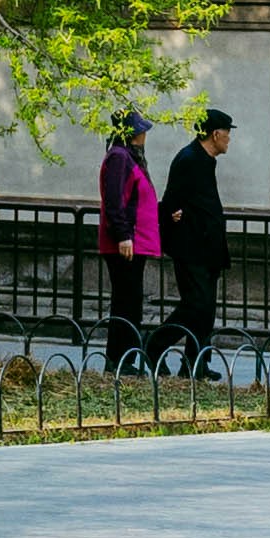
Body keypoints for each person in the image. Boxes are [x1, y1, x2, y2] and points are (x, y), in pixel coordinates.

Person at [160, 102, 233, 378]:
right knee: (195, 305)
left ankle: (196, 363)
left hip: (207, 250)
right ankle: (154, 346)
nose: (229, 139)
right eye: (227, 133)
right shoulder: (188, 159)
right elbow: (170, 203)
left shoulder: (205, 160)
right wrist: (175, 216)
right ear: (215, 134)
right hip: (191, 249)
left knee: (206, 309)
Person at [99, 108, 161, 369]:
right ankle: (118, 360)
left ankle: (126, 359)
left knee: (131, 302)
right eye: (141, 130)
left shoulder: (128, 157)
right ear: (133, 133)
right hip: (126, 244)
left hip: (136, 242)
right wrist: (124, 235)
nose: (145, 135)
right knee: (126, 303)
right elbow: (114, 200)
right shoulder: (120, 158)